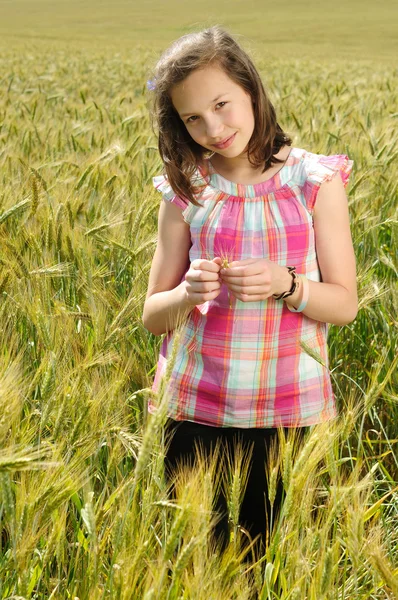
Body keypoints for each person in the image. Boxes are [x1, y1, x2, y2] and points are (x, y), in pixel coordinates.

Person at [142, 25, 358, 559]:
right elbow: (152, 315)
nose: (213, 128)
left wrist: (287, 283)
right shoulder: (185, 188)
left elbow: (345, 304)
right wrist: (189, 294)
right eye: (193, 118)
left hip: (290, 418)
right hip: (192, 412)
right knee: (199, 565)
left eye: (222, 104)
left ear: (251, 90)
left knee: (275, 564)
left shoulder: (314, 181)